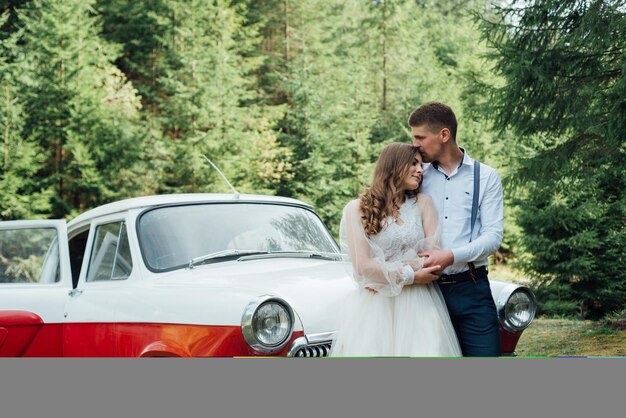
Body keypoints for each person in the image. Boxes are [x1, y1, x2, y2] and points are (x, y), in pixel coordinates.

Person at [330, 142, 461, 357]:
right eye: (413, 163)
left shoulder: (423, 203)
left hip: (418, 304)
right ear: (393, 165)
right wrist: (411, 275)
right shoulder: (356, 209)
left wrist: (384, 273)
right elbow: (362, 267)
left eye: (421, 165)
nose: (420, 170)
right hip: (374, 308)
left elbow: (433, 259)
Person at [408, 101, 503, 357]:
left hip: (473, 289)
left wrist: (450, 255)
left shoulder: (486, 176)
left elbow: (493, 237)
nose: (415, 144)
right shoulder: (417, 176)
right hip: (426, 292)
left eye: (420, 137)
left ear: (444, 135)